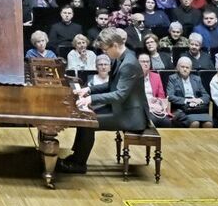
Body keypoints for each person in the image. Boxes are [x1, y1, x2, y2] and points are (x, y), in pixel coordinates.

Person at [59, 27, 151, 175]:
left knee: (89, 122)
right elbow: (111, 85)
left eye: (105, 50)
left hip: (131, 116)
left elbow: (119, 95)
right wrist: (89, 90)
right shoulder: (120, 58)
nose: (104, 53)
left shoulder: (129, 64)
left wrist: (90, 99)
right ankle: (76, 157)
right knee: (85, 117)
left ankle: (78, 164)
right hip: (121, 108)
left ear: (115, 45)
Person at [166, 56, 212, 128]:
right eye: (182, 67)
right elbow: (170, 96)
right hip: (181, 109)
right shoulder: (173, 78)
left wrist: (198, 100)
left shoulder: (197, 79)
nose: (185, 69)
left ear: (190, 69)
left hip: (197, 109)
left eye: (187, 67)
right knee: (195, 123)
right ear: (178, 67)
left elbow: (206, 96)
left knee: (208, 123)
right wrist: (187, 100)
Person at [138, 53, 171, 127]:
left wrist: (157, 99)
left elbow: (161, 96)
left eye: (148, 61)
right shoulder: (132, 77)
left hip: (155, 107)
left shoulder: (156, 76)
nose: (146, 64)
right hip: (140, 107)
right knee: (153, 120)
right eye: (143, 62)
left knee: (167, 122)